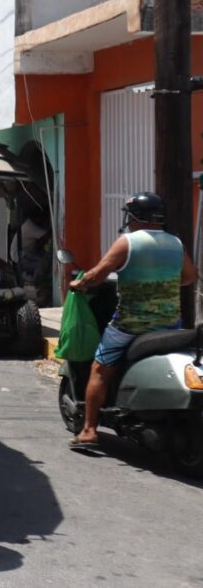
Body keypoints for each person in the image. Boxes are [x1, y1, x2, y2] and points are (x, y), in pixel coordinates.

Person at [67, 192, 196, 449]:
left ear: (136, 217)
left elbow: (98, 274)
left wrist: (79, 284)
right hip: (170, 325)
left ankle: (89, 430)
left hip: (130, 326)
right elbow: (189, 277)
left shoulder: (128, 242)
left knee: (99, 369)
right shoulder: (176, 243)